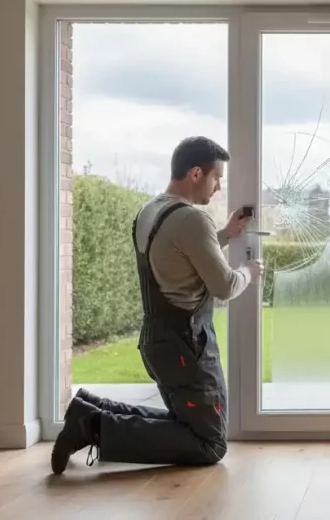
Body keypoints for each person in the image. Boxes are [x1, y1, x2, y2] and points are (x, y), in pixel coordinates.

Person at [51, 136, 263, 475]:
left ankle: (91, 410)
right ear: (196, 173)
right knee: (210, 443)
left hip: (157, 341)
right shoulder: (193, 220)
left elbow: (176, 252)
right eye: (216, 177)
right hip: (186, 346)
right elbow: (223, 285)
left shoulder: (150, 211)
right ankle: (93, 427)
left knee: (190, 423)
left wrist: (224, 234)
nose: (219, 187)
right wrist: (249, 272)